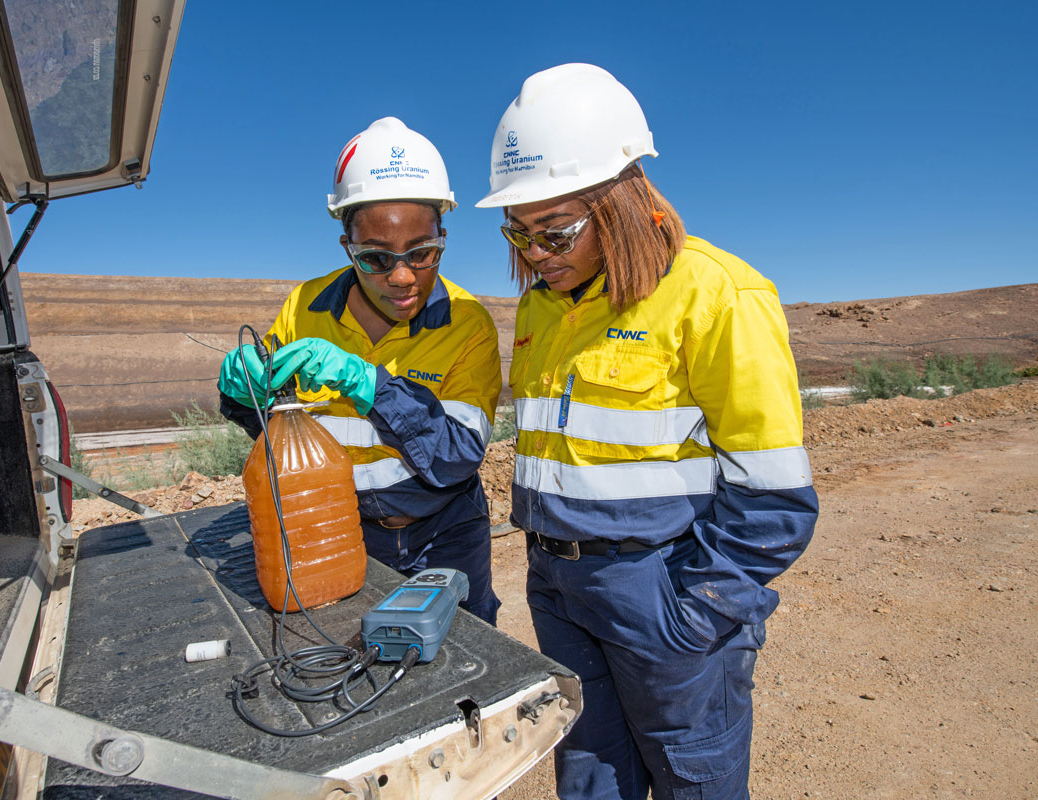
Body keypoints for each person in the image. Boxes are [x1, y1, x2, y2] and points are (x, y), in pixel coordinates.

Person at [476, 64, 819, 799]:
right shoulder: (542, 309)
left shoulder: (717, 294)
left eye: (555, 231)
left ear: (621, 203)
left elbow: (777, 499)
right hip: (557, 585)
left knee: (693, 776)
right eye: (518, 232)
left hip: (658, 589)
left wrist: (692, 614)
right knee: (592, 772)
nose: (535, 254)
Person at [218, 116, 503, 624]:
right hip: (341, 528)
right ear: (346, 244)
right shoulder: (305, 307)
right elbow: (279, 433)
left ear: (443, 236)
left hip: (445, 532)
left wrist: (367, 383)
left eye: (423, 254)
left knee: (466, 644)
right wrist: (247, 395)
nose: (401, 277)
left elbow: (457, 457)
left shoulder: (469, 325)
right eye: (375, 258)